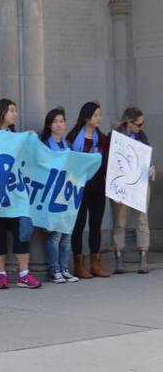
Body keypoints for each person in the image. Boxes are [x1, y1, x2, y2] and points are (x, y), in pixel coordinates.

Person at [0, 99, 41, 289]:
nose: (15, 114)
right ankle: (1, 275)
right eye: (11, 110)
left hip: (17, 194)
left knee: (22, 234)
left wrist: (31, 140)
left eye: (16, 110)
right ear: (1, 112)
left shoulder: (16, 137)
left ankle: (23, 274)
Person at [66, 102, 110, 279]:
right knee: (79, 226)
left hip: (98, 188)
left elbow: (110, 164)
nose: (99, 118)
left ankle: (95, 264)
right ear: (86, 118)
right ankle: (78, 265)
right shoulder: (73, 137)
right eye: (96, 116)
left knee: (96, 226)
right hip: (79, 188)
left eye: (100, 115)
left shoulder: (104, 139)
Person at [109, 107, 155, 274]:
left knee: (142, 219)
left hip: (140, 183)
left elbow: (148, 157)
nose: (141, 127)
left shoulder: (141, 135)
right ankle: (119, 257)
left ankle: (143, 257)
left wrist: (152, 167)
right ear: (128, 122)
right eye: (139, 124)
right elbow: (110, 163)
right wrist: (114, 189)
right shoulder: (115, 136)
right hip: (121, 184)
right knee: (119, 221)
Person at [40, 108, 79, 284]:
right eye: (55, 121)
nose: (59, 124)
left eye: (62, 121)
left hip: (67, 194)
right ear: (49, 125)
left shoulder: (68, 145)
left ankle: (64, 268)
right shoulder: (45, 145)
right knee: (54, 235)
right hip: (51, 194)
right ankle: (54, 268)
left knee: (66, 234)